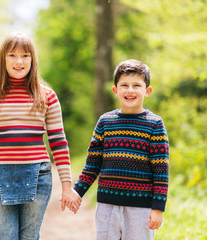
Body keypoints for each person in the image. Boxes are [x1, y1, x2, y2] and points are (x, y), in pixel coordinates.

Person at [0, 32, 81, 240]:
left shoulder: (46, 96)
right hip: (0, 177)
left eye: (25, 56)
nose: (19, 61)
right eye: (12, 55)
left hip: (38, 176)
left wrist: (67, 188)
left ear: (33, 59)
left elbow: (58, 142)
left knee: (30, 237)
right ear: (3, 59)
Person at [73, 59, 169, 240]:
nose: (130, 90)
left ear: (147, 91)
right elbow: (93, 164)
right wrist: (77, 191)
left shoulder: (155, 124)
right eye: (124, 85)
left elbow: (161, 171)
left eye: (136, 85)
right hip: (107, 206)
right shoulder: (105, 122)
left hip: (141, 208)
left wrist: (158, 207)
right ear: (115, 90)